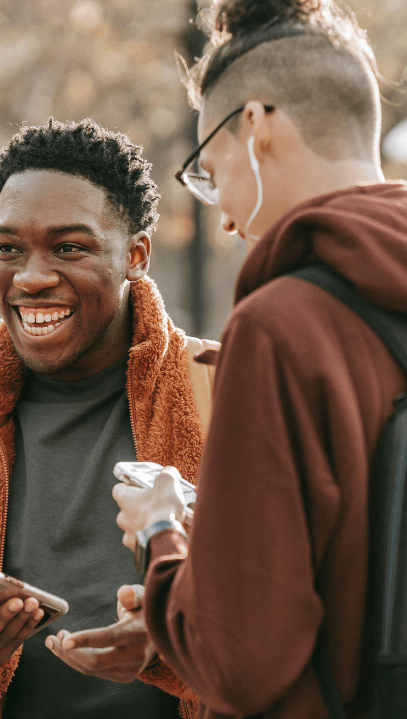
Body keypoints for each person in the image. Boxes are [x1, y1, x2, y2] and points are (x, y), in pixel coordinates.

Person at [113, 0, 407, 716]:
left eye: (210, 171)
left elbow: (240, 660)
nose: (224, 214)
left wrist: (162, 532)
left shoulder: (281, 329)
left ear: (255, 125)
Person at [0, 118, 217, 719]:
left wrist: (168, 641)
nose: (30, 277)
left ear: (136, 255)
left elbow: (293, 623)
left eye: (69, 248)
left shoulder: (228, 394)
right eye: (9, 248)